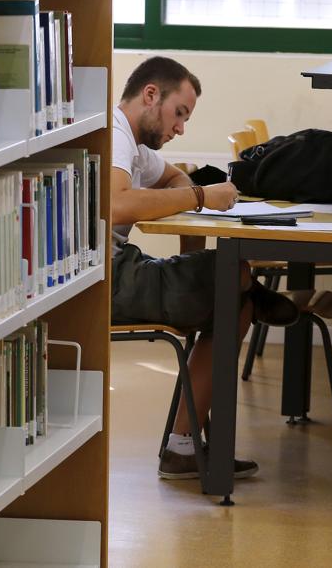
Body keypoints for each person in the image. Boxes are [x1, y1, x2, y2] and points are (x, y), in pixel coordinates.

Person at [111, 56, 300, 480]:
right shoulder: (114, 134)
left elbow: (175, 178)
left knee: (238, 303)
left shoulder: (136, 147)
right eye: (179, 114)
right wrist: (199, 197)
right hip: (102, 278)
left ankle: (183, 447)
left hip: (122, 268)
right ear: (150, 95)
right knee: (233, 279)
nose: (181, 128)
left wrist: (191, 198)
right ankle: (251, 287)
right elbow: (117, 203)